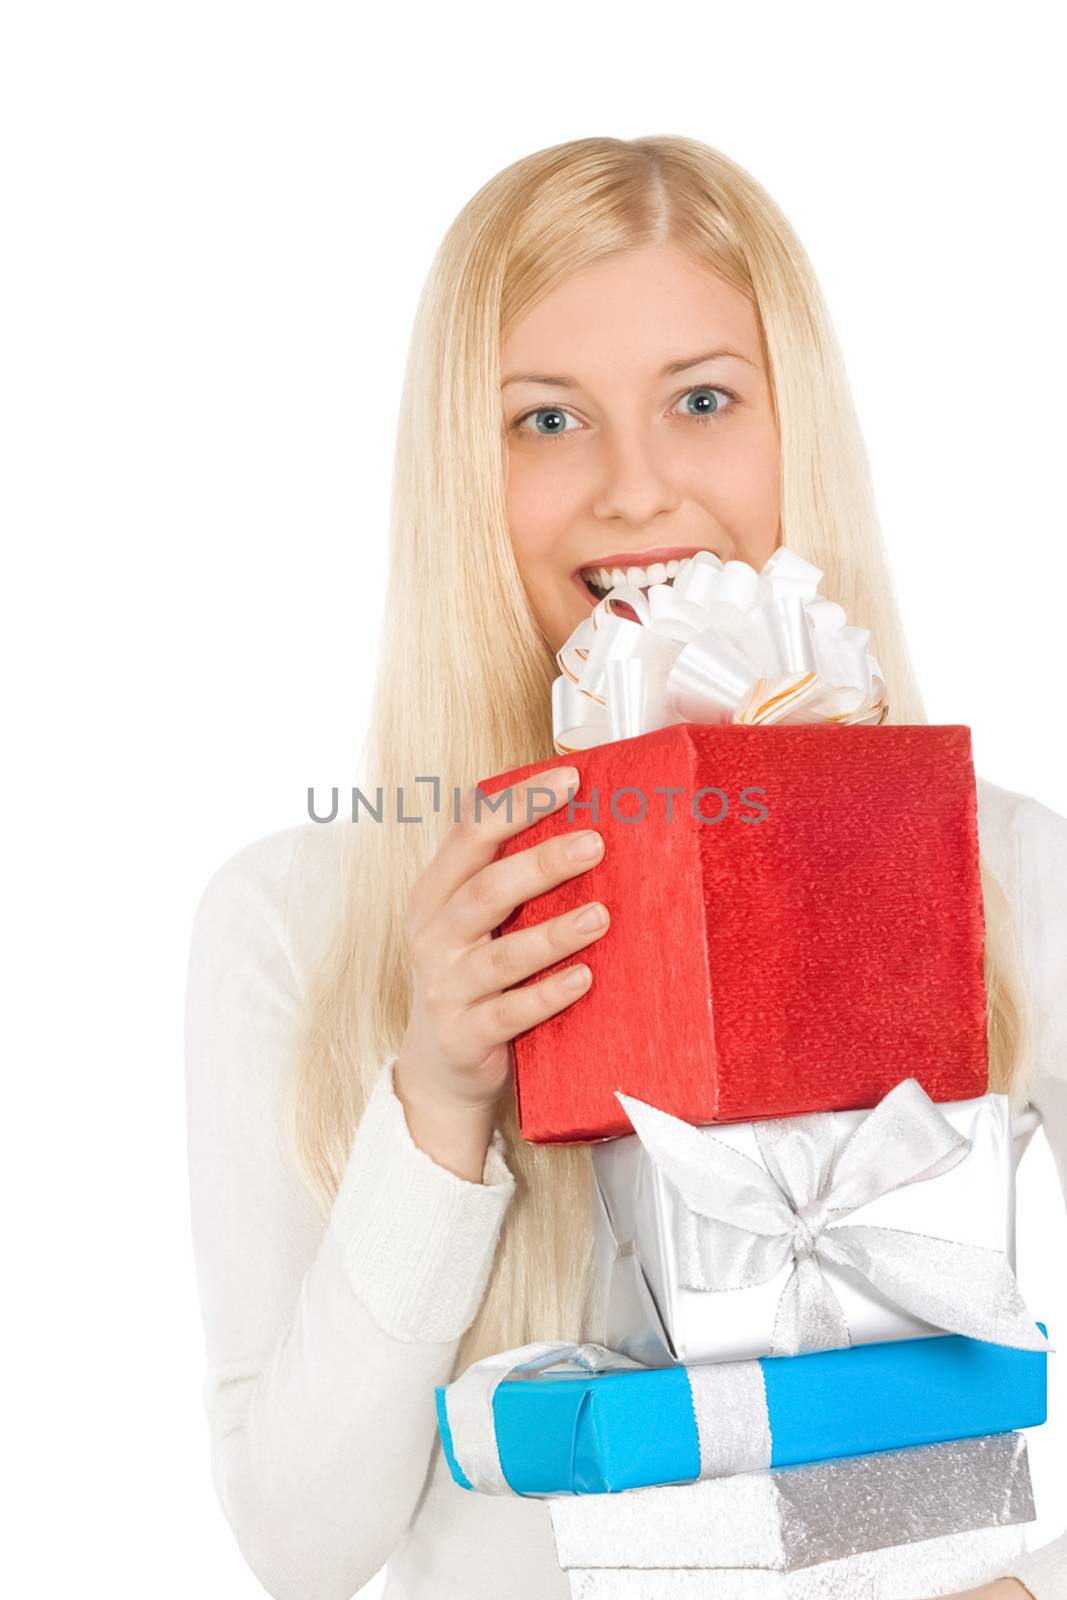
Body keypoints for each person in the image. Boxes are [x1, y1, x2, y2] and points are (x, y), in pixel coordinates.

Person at [184, 135, 1067, 1600]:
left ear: (799, 429)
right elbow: (301, 1547)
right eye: (545, 420)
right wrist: (442, 1100)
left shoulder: (1007, 872)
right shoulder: (292, 920)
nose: (636, 490)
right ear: (460, 466)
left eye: (704, 400)